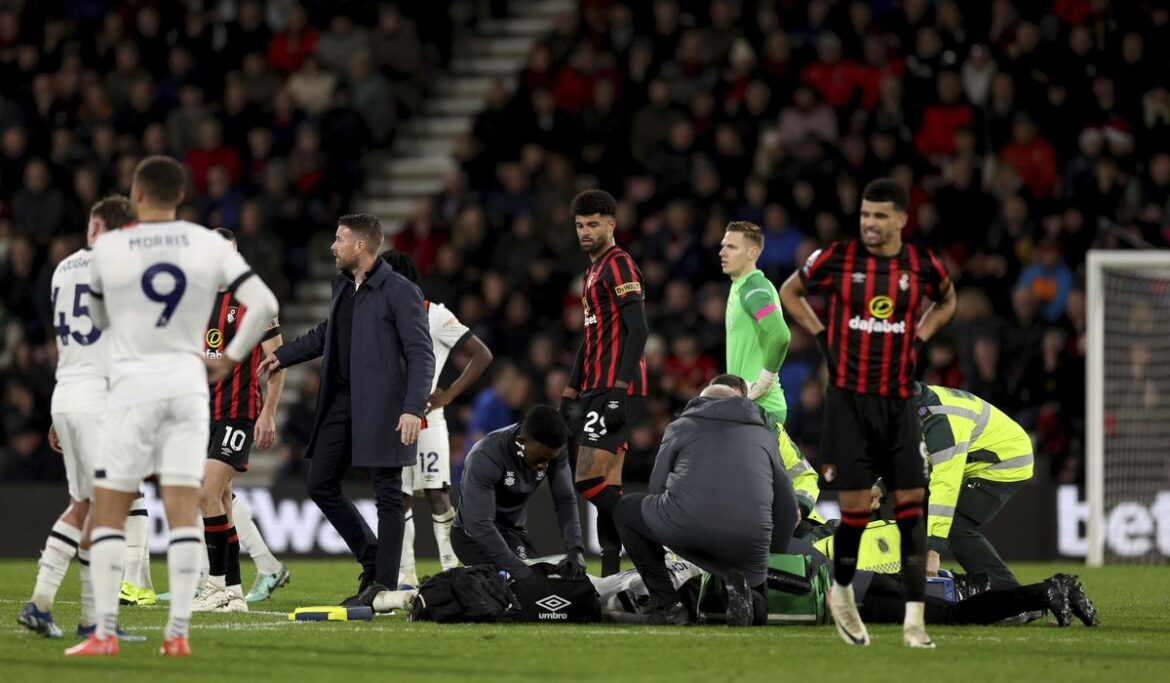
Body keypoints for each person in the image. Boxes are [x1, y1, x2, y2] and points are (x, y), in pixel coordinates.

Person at [69, 156, 279, 657]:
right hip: (191, 395)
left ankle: (102, 630)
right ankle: (179, 631)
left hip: (141, 388)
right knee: (189, 509)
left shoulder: (117, 246)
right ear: (181, 197)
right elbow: (266, 303)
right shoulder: (204, 245)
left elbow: (99, 315)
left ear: (137, 197)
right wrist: (227, 357)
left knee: (114, 503)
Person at [779, 177, 956, 648]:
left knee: (912, 513)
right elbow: (789, 292)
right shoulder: (838, 258)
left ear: (900, 218)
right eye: (864, 216)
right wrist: (822, 337)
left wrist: (919, 336)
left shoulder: (920, 264)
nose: (870, 224)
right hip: (848, 404)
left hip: (899, 402)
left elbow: (948, 299)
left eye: (879, 216)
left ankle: (914, 622)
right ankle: (841, 595)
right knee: (855, 512)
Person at [257, 214, 435, 606]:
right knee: (319, 482)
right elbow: (327, 333)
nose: (332, 247)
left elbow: (421, 354)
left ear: (360, 246)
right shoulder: (343, 285)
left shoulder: (399, 290)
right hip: (341, 402)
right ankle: (373, 559)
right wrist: (282, 357)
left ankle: (383, 584)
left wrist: (411, 407)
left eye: (339, 240)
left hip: (386, 406)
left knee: (388, 492)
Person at [18, 196, 142, 641]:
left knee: (89, 505)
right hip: (99, 400)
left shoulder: (63, 268)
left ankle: (93, 620)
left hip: (67, 393)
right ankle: (43, 603)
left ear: (93, 227)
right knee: (96, 509)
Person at [612, 383, 798, 627]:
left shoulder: (680, 427)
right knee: (759, 608)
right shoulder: (764, 435)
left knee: (626, 509)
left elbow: (656, 489)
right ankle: (750, 597)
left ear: (699, 403)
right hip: (749, 539)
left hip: (687, 525)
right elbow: (786, 505)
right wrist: (770, 556)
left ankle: (669, 605)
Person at [381, 250, 493, 588]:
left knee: (436, 492)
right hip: (394, 419)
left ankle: (450, 568)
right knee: (399, 497)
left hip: (428, 419)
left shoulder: (436, 315)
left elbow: (482, 354)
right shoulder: (382, 316)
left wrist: (449, 394)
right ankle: (407, 577)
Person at [190, 228, 288, 612]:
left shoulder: (253, 301)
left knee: (206, 494)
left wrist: (268, 413)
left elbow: (277, 364)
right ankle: (232, 592)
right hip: (204, 415)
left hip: (238, 412)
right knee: (223, 503)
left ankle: (215, 584)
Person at [559, 189, 649, 577]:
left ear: (612, 225)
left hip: (616, 388)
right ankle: (611, 575)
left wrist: (618, 390)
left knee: (588, 479)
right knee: (608, 483)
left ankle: (651, 533)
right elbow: (591, 335)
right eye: (580, 225)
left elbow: (639, 330)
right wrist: (570, 388)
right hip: (596, 386)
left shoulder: (619, 265)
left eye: (593, 224)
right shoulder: (591, 270)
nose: (585, 231)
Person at [718, 224, 820, 518]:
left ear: (753, 252)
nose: (722, 251)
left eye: (731, 247)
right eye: (724, 245)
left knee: (751, 495)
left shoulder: (754, 288)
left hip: (760, 407)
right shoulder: (740, 286)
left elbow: (780, 335)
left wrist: (762, 382)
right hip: (747, 406)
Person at [916, 383, 1034, 589]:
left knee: (956, 527)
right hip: (982, 458)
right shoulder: (921, 402)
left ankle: (1012, 599)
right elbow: (914, 456)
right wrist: (882, 487)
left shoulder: (939, 421)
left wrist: (934, 550)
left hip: (1005, 462)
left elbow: (946, 483)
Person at [450, 405, 585, 578]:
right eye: (540, 459)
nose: (543, 467)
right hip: (472, 538)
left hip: (512, 534)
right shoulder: (487, 456)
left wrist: (575, 549)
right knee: (522, 587)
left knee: (551, 581)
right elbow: (479, 524)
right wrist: (520, 571)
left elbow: (565, 499)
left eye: (549, 461)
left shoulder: (552, 448)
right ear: (522, 441)